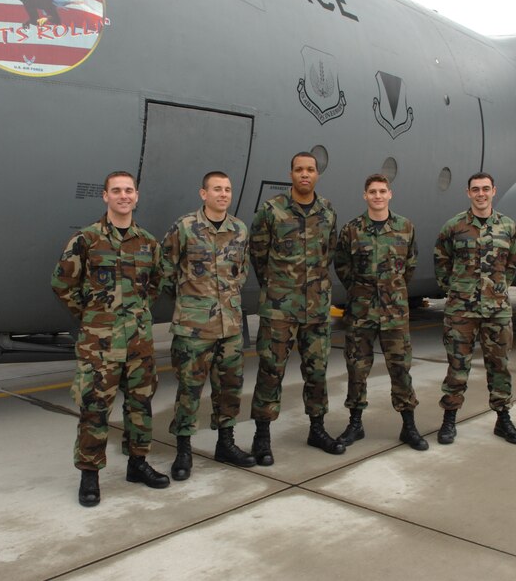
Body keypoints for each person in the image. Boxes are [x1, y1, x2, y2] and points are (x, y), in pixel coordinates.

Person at [51, 170, 170, 508]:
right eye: (116, 190)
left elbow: (157, 284)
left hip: (139, 344)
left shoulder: (147, 242)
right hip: (98, 346)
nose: (123, 196)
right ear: (105, 196)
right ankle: (90, 476)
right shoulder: (86, 240)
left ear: (136, 196)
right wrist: (92, 316)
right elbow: (62, 284)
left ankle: (138, 464)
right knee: (94, 410)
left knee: (140, 407)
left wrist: (137, 314)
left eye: (128, 190)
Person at [248, 151, 346, 465]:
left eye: (310, 170)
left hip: (316, 308)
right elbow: (258, 254)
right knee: (270, 371)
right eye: (299, 169)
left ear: (317, 174)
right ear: (290, 174)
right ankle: (262, 436)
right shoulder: (271, 210)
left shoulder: (328, 210)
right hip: (279, 308)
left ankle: (317, 429)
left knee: (317, 371)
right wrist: (279, 286)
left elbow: (329, 251)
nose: (305, 174)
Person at [160, 171, 256, 481]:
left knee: (229, 389)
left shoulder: (239, 229)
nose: (223, 194)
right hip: (194, 329)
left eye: (227, 189)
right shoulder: (185, 227)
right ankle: (183, 452)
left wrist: (225, 297)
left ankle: (226, 444)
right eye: (217, 189)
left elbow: (240, 272)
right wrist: (193, 299)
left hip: (229, 327)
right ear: (204, 194)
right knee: (189, 391)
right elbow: (165, 271)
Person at [334, 174, 428, 451]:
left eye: (382, 191)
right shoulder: (352, 229)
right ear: (365, 195)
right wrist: (361, 291)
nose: (377, 196)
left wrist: (392, 289)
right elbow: (342, 265)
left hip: (395, 313)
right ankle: (355, 424)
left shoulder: (405, 227)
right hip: (361, 312)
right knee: (356, 368)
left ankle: (409, 426)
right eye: (372, 191)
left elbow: (409, 265)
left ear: (390, 194)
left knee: (400, 369)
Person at [433, 172, 516, 445]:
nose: (481, 194)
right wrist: (455, 289)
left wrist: (497, 290)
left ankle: (503, 419)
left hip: (497, 310)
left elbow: (512, 264)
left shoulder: (508, 226)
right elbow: (441, 260)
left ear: (494, 191)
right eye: (476, 189)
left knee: (500, 366)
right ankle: (449, 419)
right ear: (468, 193)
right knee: (457, 367)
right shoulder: (454, 227)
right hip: (461, 311)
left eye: (486, 189)